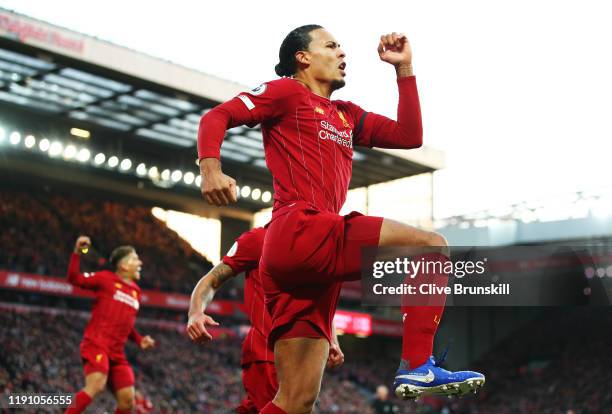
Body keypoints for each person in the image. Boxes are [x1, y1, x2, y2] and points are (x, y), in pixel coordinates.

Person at [197, 25, 484, 413]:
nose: (342, 53)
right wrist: (210, 168)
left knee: (296, 400)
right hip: (301, 228)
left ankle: (416, 365)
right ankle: (417, 364)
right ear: (303, 57)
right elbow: (218, 115)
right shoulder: (285, 92)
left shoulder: (346, 116)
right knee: (430, 245)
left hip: (307, 265)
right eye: (331, 46)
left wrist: (405, 69)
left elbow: (409, 135)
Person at [186, 227, 344, 413]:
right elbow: (212, 278)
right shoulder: (258, 239)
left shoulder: (318, 247)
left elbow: (322, 303)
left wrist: (332, 338)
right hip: (267, 352)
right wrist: (195, 311)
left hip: (303, 356)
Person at [65, 236, 155, 414]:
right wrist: (78, 252)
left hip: (117, 353)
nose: (140, 262)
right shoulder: (105, 279)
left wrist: (138, 339)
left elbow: (126, 322)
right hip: (96, 344)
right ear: (123, 266)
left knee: (127, 401)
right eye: (135, 259)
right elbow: (74, 278)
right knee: (96, 384)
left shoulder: (136, 292)